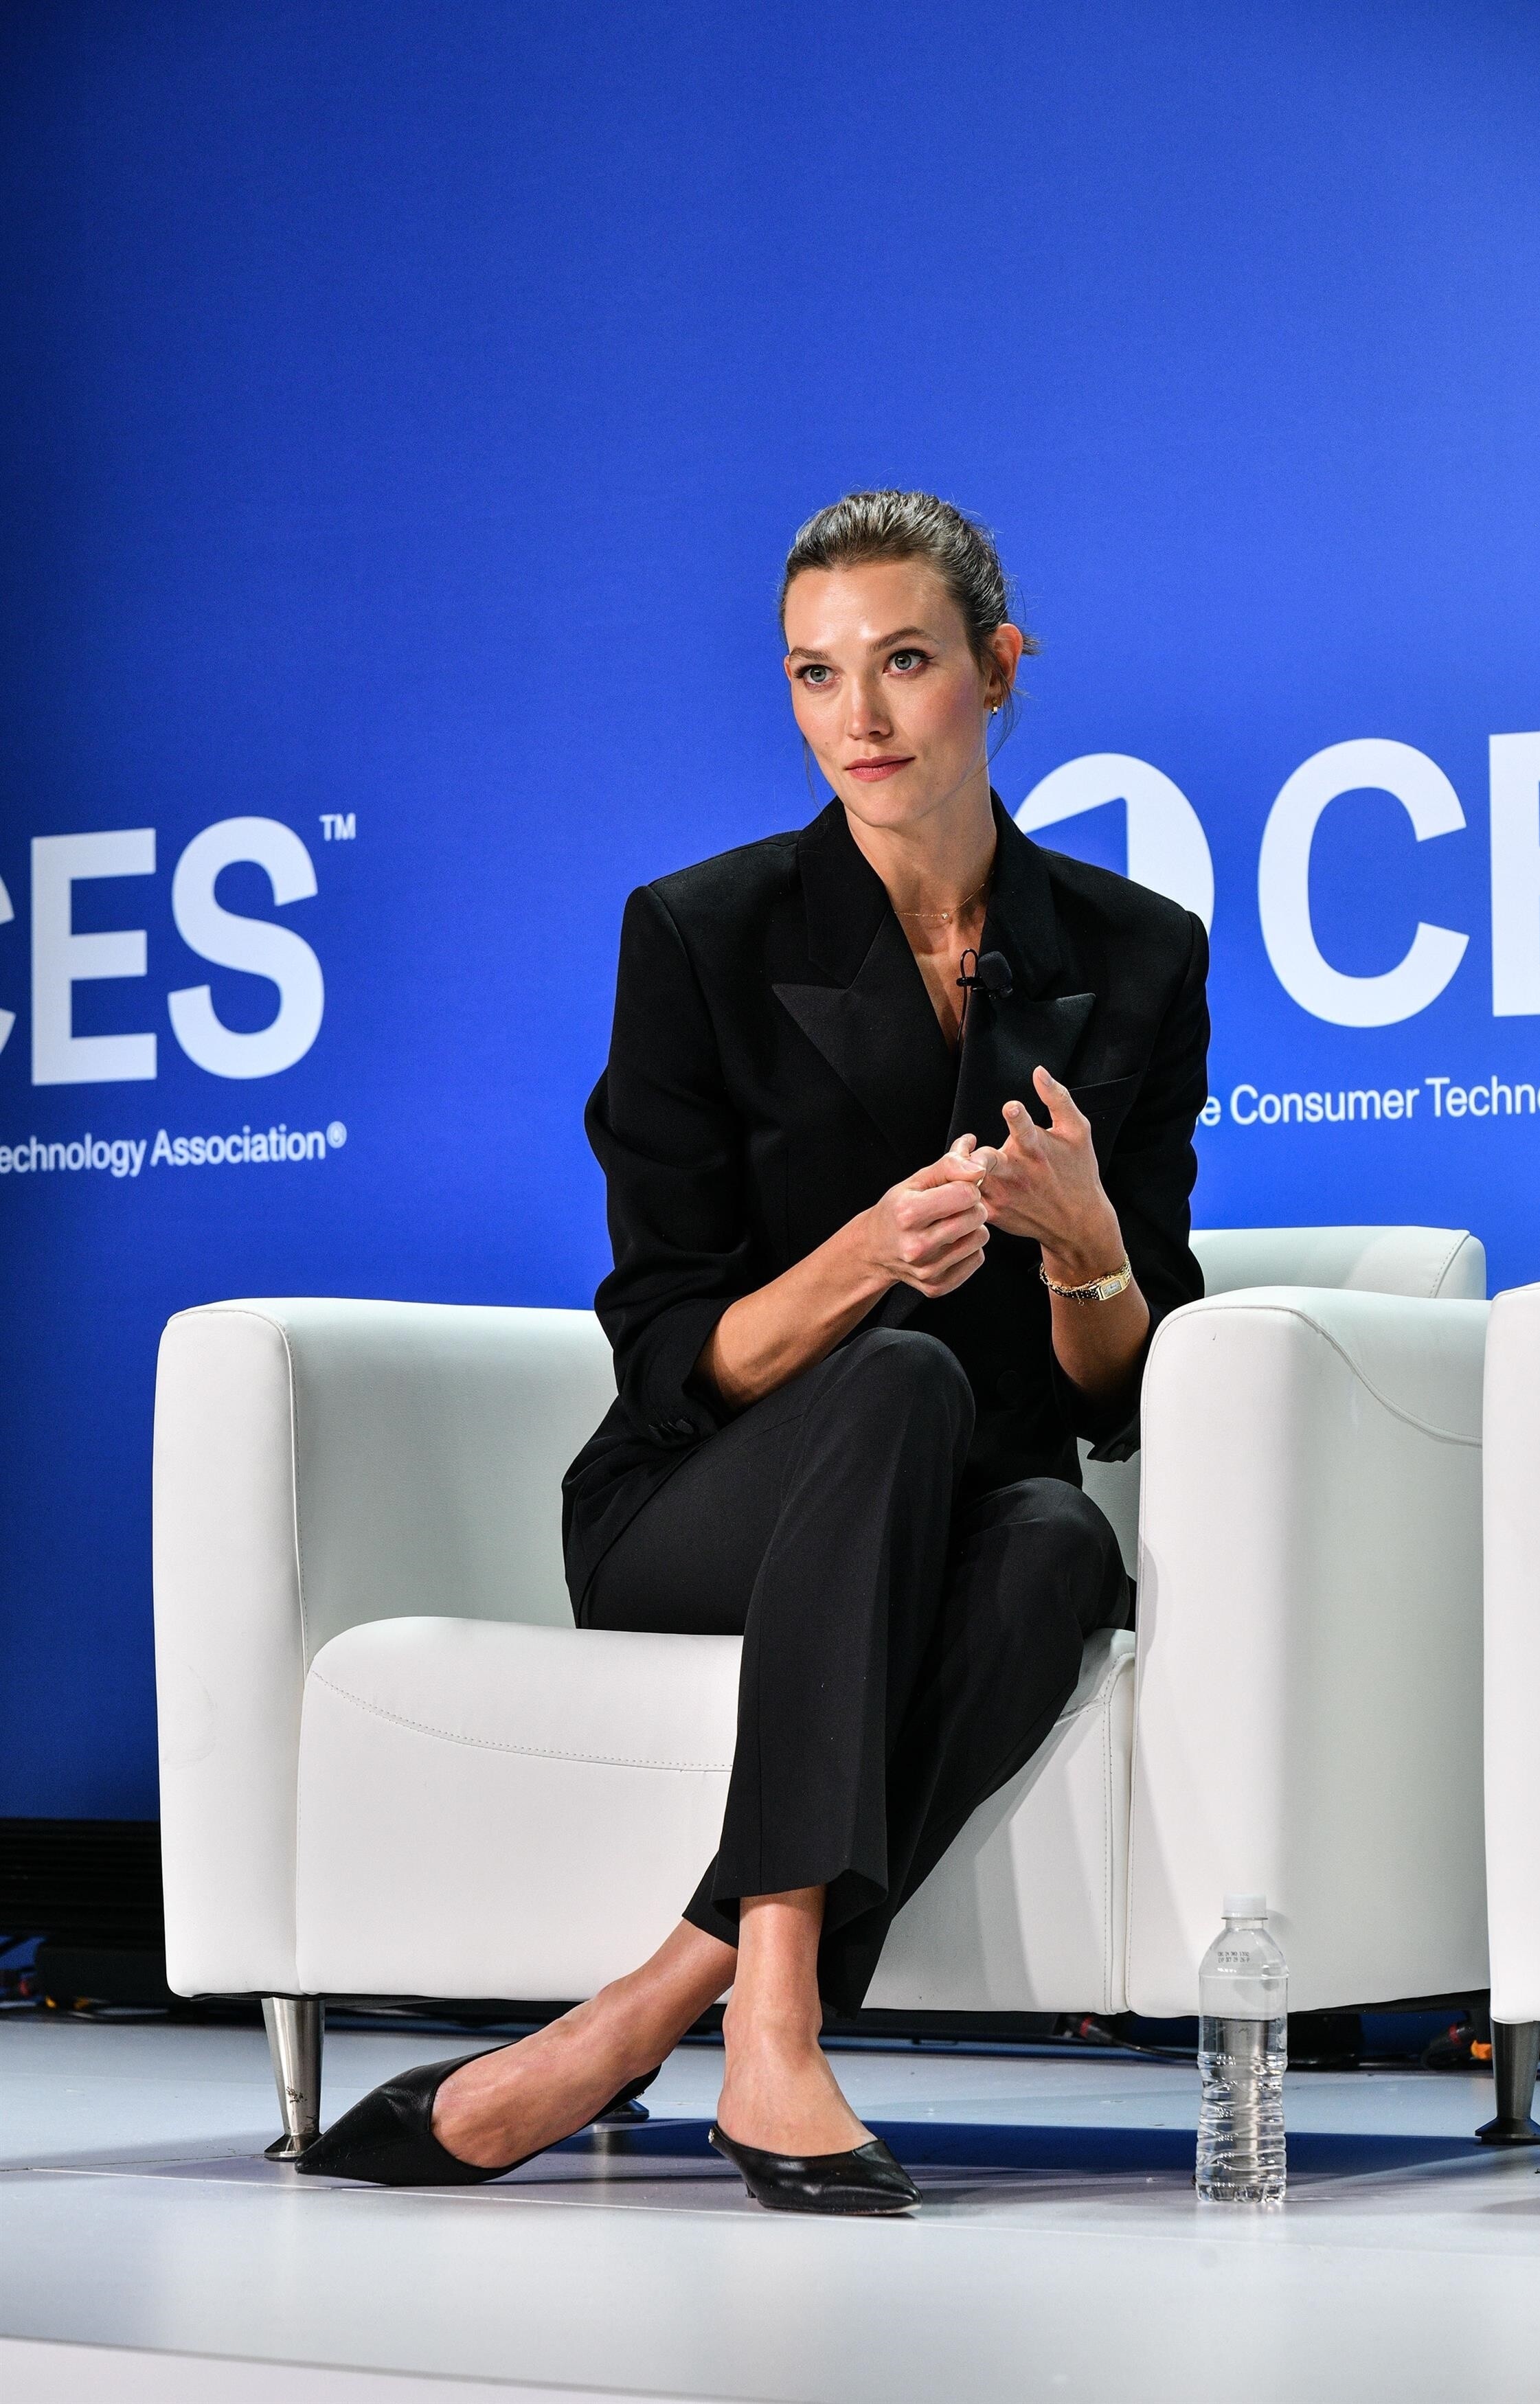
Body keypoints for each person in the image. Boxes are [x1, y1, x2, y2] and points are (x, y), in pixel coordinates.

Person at [299, 488, 1210, 2214]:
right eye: (814, 673)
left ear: (1001, 668)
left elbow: (1120, 1399)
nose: (858, 717)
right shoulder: (700, 933)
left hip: (973, 1501)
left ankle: (638, 2014)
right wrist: (863, 1258)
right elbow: (669, 1351)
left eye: (904, 662)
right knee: (906, 1370)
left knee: (1059, 1545)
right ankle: (776, 2020)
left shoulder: (1139, 954)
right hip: (702, 1502)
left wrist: (1091, 1246)